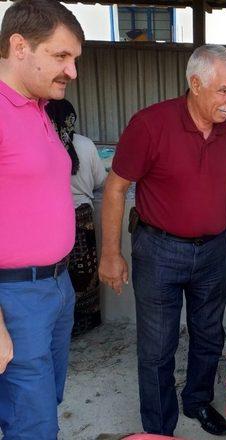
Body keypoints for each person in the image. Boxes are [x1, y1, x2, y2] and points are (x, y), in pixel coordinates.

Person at [98, 45, 226, 436]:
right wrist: (111, 254)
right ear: (195, 84)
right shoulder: (150, 124)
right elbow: (115, 189)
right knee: (157, 346)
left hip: (213, 250)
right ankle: (158, 429)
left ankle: (197, 401)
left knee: (209, 334)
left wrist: (219, 227)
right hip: (159, 250)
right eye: (224, 91)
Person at [0, 1, 84, 438]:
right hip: (14, 296)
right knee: (30, 423)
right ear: (19, 46)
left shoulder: (38, 109)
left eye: (74, 60)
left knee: (40, 406)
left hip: (55, 286)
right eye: (60, 56)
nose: (71, 71)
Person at [46, 99, 107, 337]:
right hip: (82, 217)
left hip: (53, 219)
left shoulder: (45, 143)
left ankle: (58, 328)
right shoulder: (85, 144)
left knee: (57, 275)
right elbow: (101, 180)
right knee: (85, 275)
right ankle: (84, 324)